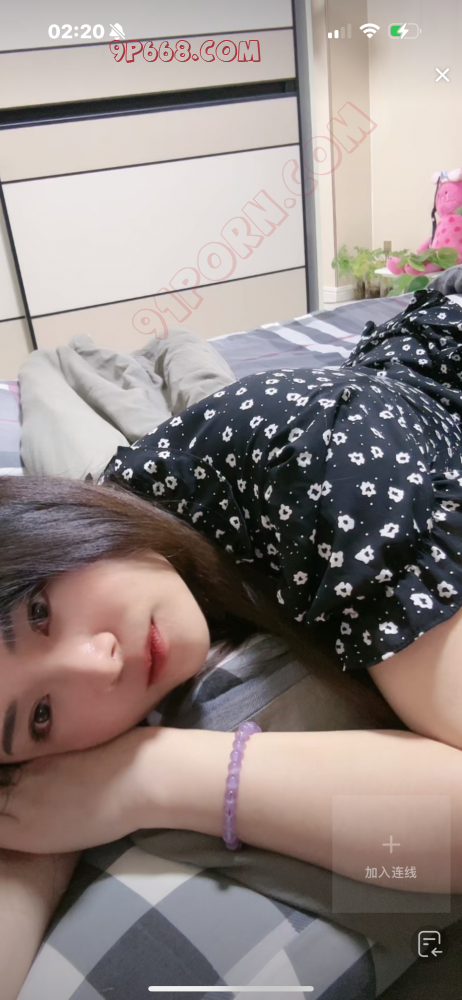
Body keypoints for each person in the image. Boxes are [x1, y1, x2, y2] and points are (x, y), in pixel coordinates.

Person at [0, 287, 462, 895]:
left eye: (38, 612)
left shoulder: (318, 460)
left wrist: (143, 777)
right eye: (40, 714)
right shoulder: (134, 558)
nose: (100, 664)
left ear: (57, 523)